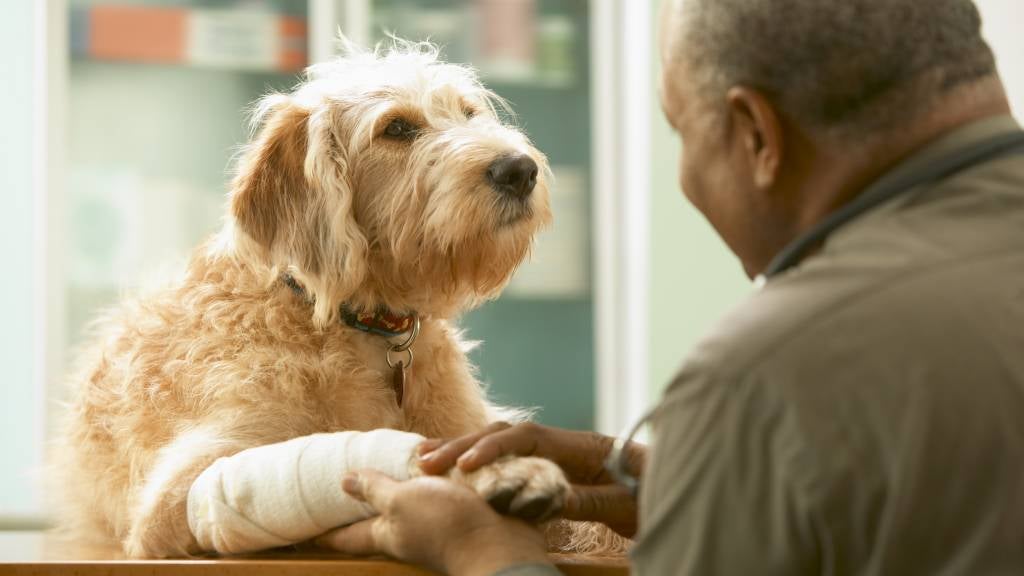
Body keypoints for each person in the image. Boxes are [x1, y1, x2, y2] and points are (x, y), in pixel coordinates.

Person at [316, 0, 1024, 573]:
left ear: (756, 136)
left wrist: (482, 553)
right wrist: (680, 480)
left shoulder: (767, 372)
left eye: (681, 131)